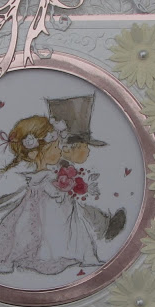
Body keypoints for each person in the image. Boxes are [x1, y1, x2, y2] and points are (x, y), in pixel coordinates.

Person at [0, 115, 103, 275]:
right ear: (34, 154)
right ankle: (50, 254)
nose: (59, 150)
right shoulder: (43, 177)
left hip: (59, 212)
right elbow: (51, 193)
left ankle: (70, 251)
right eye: (55, 147)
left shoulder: (51, 173)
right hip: (46, 212)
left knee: (66, 230)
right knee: (44, 232)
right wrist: (63, 190)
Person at [47, 94, 126, 241]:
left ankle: (104, 227)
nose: (88, 151)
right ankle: (103, 228)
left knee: (83, 211)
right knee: (80, 213)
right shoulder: (59, 163)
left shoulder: (62, 161)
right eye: (83, 146)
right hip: (57, 202)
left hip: (65, 200)